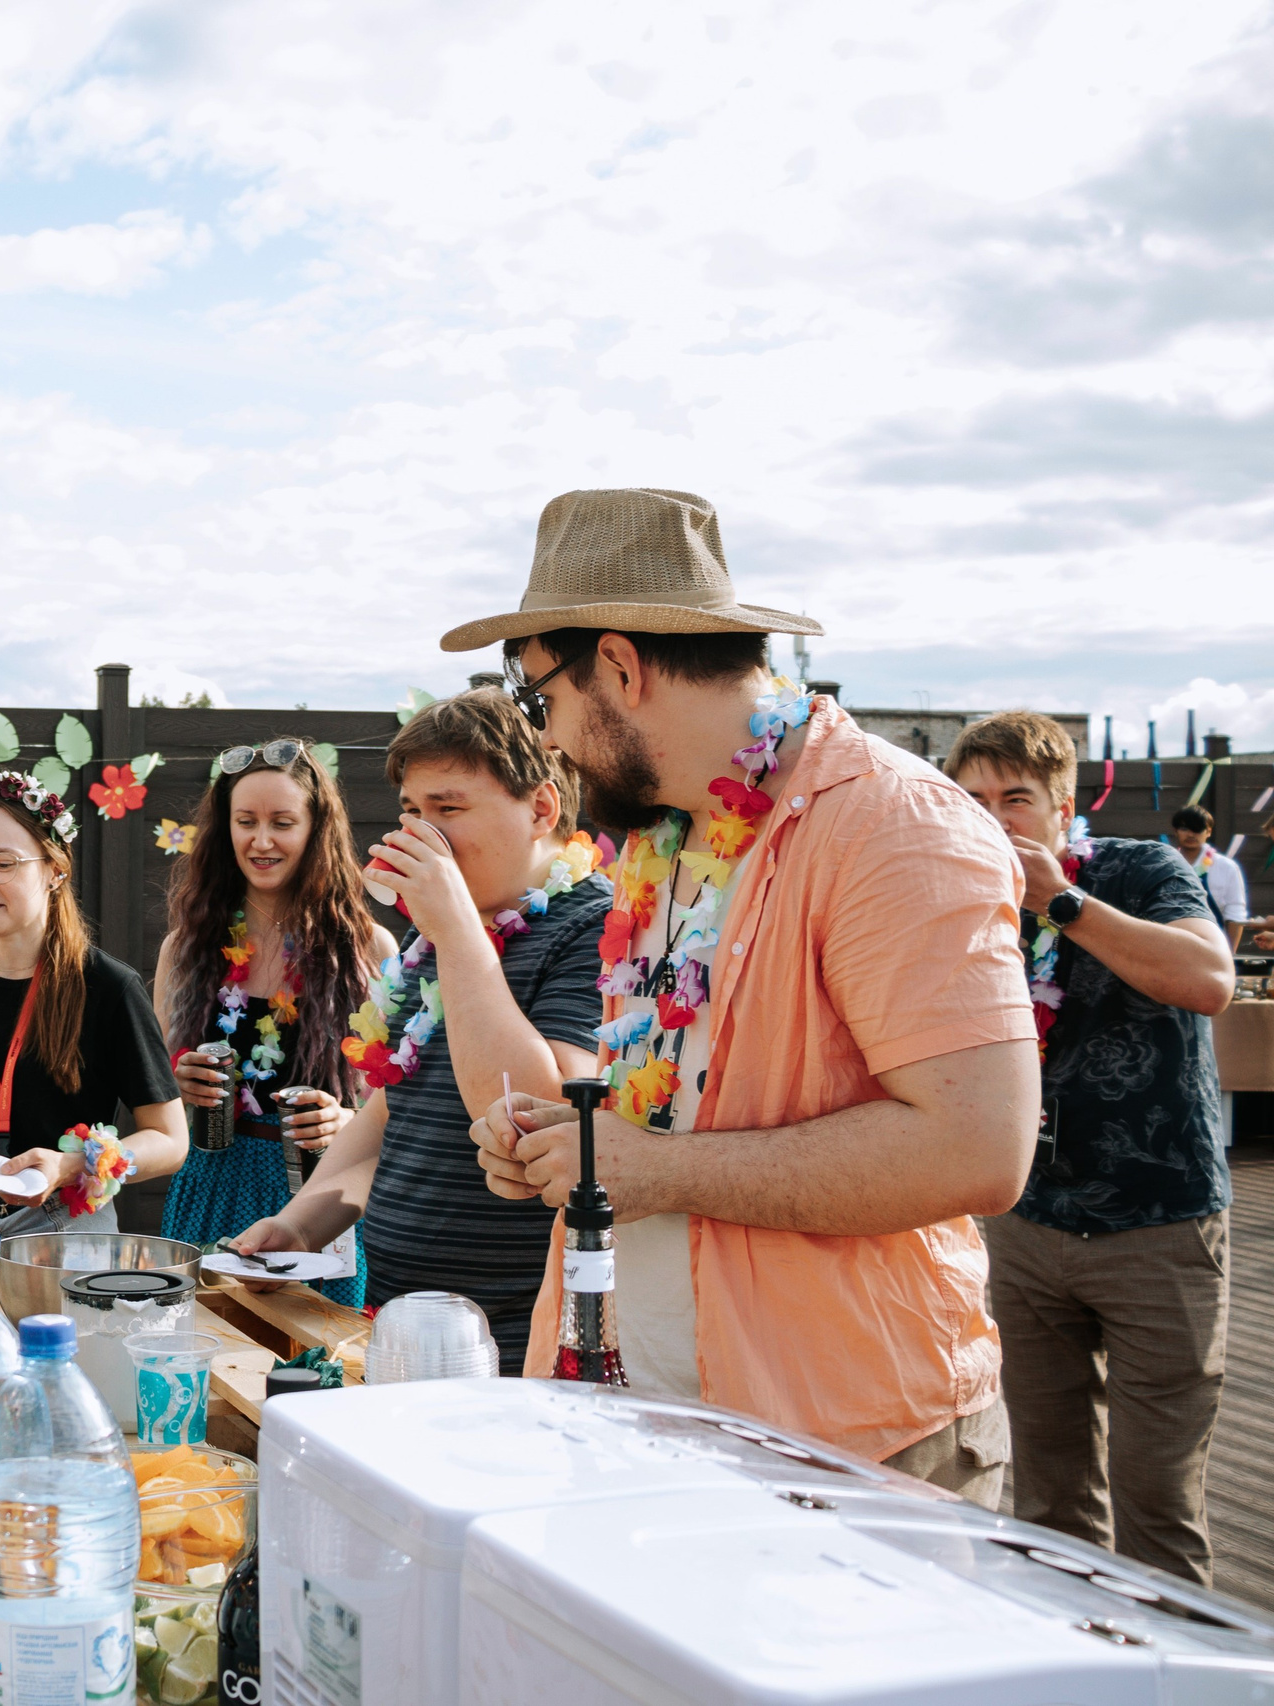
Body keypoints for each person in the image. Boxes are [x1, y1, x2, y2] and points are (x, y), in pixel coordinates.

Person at [454, 487, 1038, 1504]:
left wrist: (661, 1169)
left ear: (619, 666)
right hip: (645, 1427)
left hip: (848, 1449)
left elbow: (979, 1147)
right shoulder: (659, 839)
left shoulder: (890, 824)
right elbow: (681, 1107)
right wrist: (578, 1144)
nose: (544, 736)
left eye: (539, 694)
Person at [231, 694, 610, 1368]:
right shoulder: (439, 936)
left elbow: (536, 1119)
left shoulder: (593, 923)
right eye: (412, 811)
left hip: (519, 1336)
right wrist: (301, 1222)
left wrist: (459, 929)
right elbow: (393, 1113)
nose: (420, 834)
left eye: (448, 808)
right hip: (401, 1320)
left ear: (543, 810)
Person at [950, 713, 1236, 1584]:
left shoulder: (1138, 868)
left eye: (1015, 799)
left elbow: (1210, 979)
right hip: (1027, 1227)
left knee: (1158, 1506)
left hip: (1158, 1224)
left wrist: (1063, 904)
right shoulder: (960, 902)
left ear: (1063, 806)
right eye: (971, 801)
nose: (994, 820)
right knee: (1046, 1503)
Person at [152, 738, 395, 1307]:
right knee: (206, 1359)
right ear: (225, 829)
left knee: (316, 1369)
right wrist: (177, 1082)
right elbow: (157, 1102)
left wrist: (343, 1118)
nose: (261, 841)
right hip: (211, 1185)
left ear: (315, 829)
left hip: (319, 1197)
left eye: (282, 822)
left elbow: (394, 1106)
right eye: (246, 822)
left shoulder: (369, 950)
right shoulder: (185, 950)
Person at [0, 768, 186, 1227]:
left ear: (55, 870)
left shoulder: (108, 987)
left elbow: (169, 1140)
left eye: (2, 863)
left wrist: (71, 1165)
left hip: (66, 1219)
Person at [1169, 805, 1252, 933]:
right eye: (1185, 828)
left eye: (1197, 829)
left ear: (1209, 832)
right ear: (1175, 831)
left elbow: (1235, 914)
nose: (1191, 834)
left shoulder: (1226, 867)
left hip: (1214, 941)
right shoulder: (1165, 864)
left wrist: (1229, 952)